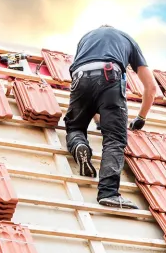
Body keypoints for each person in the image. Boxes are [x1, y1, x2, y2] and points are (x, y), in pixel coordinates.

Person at [64, 25, 157, 209]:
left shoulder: (85, 38)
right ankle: (108, 193)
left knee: (75, 126)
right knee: (114, 138)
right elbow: (151, 87)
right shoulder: (128, 40)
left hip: (79, 77)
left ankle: (78, 145)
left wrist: (99, 121)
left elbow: (90, 93)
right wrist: (141, 117)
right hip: (109, 76)